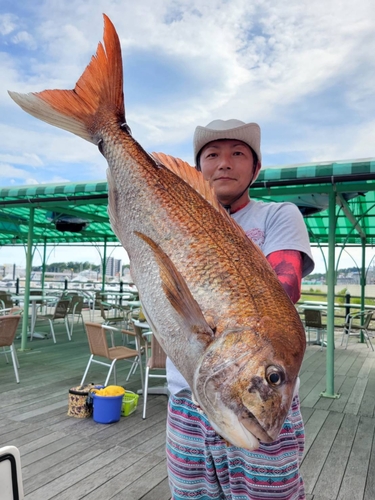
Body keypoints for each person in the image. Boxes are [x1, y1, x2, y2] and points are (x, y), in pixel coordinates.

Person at [166, 119, 315, 500]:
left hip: (259, 400)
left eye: (238, 154)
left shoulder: (277, 215)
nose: (224, 163)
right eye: (212, 155)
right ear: (198, 169)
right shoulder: (175, 221)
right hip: (187, 399)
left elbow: (286, 290)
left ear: (256, 168)